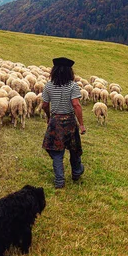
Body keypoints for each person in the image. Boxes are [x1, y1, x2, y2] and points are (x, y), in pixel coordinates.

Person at [41, 57, 86, 189]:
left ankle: (59, 181)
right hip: (70, 121)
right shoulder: (73, 86)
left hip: (56, 122)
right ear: (69, 72)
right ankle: (77, 172)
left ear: (54, 71)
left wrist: (49, 116)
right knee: (74, 148)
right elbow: (76, 104)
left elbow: (44, 104)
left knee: (56, 152)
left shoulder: (48, 85)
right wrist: (81, 124)